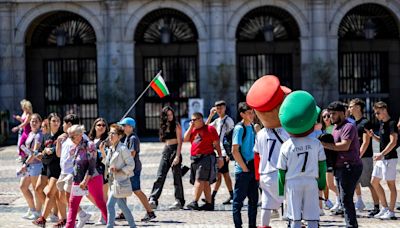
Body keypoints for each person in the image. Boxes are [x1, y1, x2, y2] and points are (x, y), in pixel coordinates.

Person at [246, 75, 291, 228]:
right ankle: (296, 223)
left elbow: (256, 155)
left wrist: (258, 175)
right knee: (291, 199)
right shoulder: (286, 132)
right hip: (280, 173)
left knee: (266, 204)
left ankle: (264, 226)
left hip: (264, 174)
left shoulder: (260, 133)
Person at [277, 91, 327, 228]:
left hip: (293, 182)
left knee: (295, 218)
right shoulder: (316, 143)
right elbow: (322, 166)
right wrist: (322, 184)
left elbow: (281, 171)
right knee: (312, 218)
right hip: (311, 181)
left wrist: (281, 191)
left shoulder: (286, 145)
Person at [321, 101, 363, 227]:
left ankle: (351, 225)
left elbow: (345, 146)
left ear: (342, 113)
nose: (331, 117)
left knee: (346, 199)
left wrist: (323, 144)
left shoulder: (348, 127)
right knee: (344, 200)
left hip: (350, 167)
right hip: (340, 168)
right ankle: (350, 224)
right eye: (329, 114)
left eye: (333, 114)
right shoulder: (335, 128)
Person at [65, 125, 107, 228]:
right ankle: (69, 226)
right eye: (69, 137)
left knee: (100, 201)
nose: (70, 139)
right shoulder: (76, 146)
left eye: (72, 137)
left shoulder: (90, 145)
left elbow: (92, 166)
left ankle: (109, 222)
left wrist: (85, 181)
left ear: (79, 135)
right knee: (73, 203)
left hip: (92, 177)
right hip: (78, 178)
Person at [55, 114, 90, 228]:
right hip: (63, 171)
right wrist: (58, 143)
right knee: (63, 197)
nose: (62, 125)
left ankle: (71, 222)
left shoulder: (81, 137)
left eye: (64, 123)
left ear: (69, 124)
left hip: (73, 172)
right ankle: (82, 214)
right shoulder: (67, 137)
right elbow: (59, 154)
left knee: (69, 197)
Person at [183, 112, 224, 211]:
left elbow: (217, 144)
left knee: (200, 180)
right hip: (195, 159)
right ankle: (209, 204)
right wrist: (190, 127)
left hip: (206, 158)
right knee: (205, 182)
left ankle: (195, 202)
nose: (192, 122)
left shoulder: (210, 129)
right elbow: (185, 139)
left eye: (194, 120)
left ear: (200, 120)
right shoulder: (193, 130)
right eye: (191, 120)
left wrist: (220, 157)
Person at [119, 117, 156, 222]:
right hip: (129, 168)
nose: (122, 127)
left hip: (133, 169)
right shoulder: (127, 137)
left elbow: (132, 154)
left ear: (130, 127)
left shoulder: (133, 138)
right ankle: (123, 213)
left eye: (123, 125)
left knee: (137, 190)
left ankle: (150, 212)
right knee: (123, 190)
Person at [100, 124, 136, 228]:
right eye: (109, 133)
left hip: (119, 181)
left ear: (119, 136)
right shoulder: (111, 148)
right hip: (112, 182)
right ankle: (133, 226)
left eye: (113, 133)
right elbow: (107, 164)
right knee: (122, 206)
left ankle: (109, 226)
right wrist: (103, 152)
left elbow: (131, 165)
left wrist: (119, 170)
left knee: (110, 205)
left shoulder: (123, 149)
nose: (110, 135)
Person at [148, 106, 185, 210]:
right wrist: (165, 151)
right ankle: (153, 199)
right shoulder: (163, 126)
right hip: (166, 150)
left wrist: (177, 156)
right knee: (160, 175)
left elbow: (180, 141)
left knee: (177, 177)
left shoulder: (176, 125)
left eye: (171, 114)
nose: (170, 117)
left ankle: (179, 200)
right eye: (168, 115)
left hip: (174, 150)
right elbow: (165, 140)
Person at [366, 101, 398, 220]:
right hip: (382, 158)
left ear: (384, 110)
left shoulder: (392, 123)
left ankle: (391, 211)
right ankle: (384, 208)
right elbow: (383, 141)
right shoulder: (382, 124)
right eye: (375, 113)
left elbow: (393, 142)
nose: (376, 115)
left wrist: (382, 154)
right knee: (374, 181)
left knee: (391, 185)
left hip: (390, 158)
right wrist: (373, 136)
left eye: (378, 113)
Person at [348, 99, 379, 216]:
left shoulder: (365, 122)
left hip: (364, 157)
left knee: (369, 183)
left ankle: (377, 207)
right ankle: (360, 202)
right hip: (356, 157)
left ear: (358, 107)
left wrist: (358, 156)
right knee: (354, 182)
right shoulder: (354, 123)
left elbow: (366, 142)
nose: (350, 109)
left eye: (351, 106)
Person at [33, 113, 63, 226]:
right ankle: (53, 212)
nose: (56, 123)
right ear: (49, 122)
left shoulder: (61, 136)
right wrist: (40, 153)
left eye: (58, 121)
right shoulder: (46, 136)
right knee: (38, 189)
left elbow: (60, 152)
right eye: (54, 121)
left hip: (57, 168)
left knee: (52, 193)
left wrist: (52, 151)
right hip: (46, 167)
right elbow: (40, 152)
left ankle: (44, 218)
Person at [231, 102, 258, 228]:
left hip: (253, 167)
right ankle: (238, 226)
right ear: (242, 114)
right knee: (238, 202)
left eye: (252, 112)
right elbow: (234, 151)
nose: (252, 115)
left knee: (254, 201)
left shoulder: (252, 127)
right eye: (249, 113)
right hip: (243, 169)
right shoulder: (239, 128)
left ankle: (252, 225)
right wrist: (245, 168)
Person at [205, 100, 234, 205]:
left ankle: (213, 197)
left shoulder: (228, 120)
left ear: (225, 108)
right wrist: (210, 115)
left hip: (224, 152)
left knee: (221, 174)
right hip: (218, 151)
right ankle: (231, 195)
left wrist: (229, 153)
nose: (219, 110)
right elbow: (205, 127)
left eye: (221, 108)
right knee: (223, 174)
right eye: (217, 108)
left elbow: (231, 137)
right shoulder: (216, 121)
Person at [19, 113, 44, 220]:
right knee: (23, 187)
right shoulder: (30, 134)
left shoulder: (39, 135)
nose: (33, 123)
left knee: (36, 189)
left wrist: (25, 164)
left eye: (36, 121)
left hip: (36, 166)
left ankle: (38, 212)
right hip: (29, 165)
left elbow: (34, 153)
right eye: (32, 121)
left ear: (40, 123)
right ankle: (32, 209)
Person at [88, 117, 110, 225]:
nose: (101, 127)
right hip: (90, 170)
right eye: (99, 125)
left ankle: (104, 217)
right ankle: (106, 212)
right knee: (89, 193)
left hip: (102, 169)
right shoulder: (89, 139)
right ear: (95, 127)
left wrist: (101, 151)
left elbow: (106, 158)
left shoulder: (107, 141)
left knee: (103, 195)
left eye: (103, 125)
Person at [320, 109, 338, 211]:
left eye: (328, 116)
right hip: (322, 159)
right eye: (324, 117)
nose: (326, 118)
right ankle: (327, 200)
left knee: (331, 184)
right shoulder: (320, 130)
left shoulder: (334, 128)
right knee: (324, 183)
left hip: (332, 159)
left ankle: (341, 200)